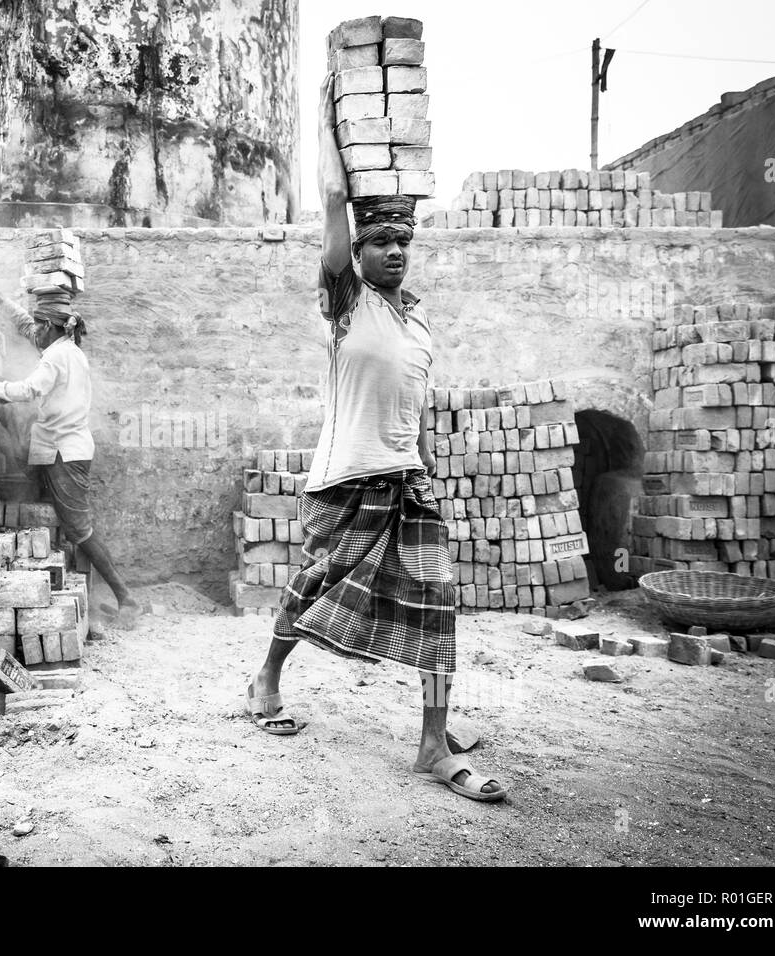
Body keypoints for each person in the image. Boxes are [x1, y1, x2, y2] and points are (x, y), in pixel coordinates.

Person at [244, 74, 508, 803]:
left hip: (405, 479)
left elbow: (416, 407)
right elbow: (332, 202)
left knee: (436, 601)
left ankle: (432, 741)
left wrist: (425, 466)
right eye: (381, 241)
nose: (395, 251)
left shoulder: (418, 321)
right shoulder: (342, 303)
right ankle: (265, 677)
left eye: (404, 241)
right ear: (357, 251)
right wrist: (330, 118)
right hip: (343, 482)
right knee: (314, 582)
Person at [0, 269, 142, 628]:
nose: (35, 332)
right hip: (53, 448)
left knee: (78, 527)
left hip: (65, 453)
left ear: (55, 326)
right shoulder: (60, 346)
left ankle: (126, 598)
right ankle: (75, 592)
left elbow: (30, 390)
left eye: (41, 326)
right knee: (33, 505)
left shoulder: (58, 357)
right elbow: (26, 324)